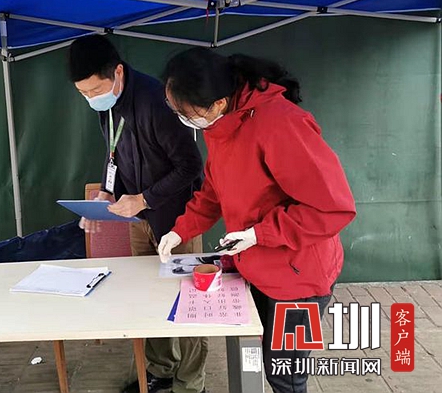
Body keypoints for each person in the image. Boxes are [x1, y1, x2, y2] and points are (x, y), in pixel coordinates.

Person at [157, 48, 356, 393]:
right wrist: (180, 230)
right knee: (262, 354)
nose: (182, 119)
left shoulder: (281, 124)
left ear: (218, 102)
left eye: (186, 113)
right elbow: (214, 192)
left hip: (300, 276)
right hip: (256, 265)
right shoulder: (220, 125)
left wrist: (259, 233)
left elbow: (332, 208)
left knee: (285, 373)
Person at [68, 35, 208, 393]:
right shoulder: (107, 105)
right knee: (148, 297)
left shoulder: (157, 102)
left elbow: (191, 166)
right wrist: (106, 191)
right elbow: (113, 152)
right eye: (83, 93)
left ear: (117, 72)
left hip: (177, 221)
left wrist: (144, 199)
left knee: (188, 301)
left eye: (95, 90)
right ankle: (161, 371)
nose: (91, 98)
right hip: (138, 220)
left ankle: (191, 383)